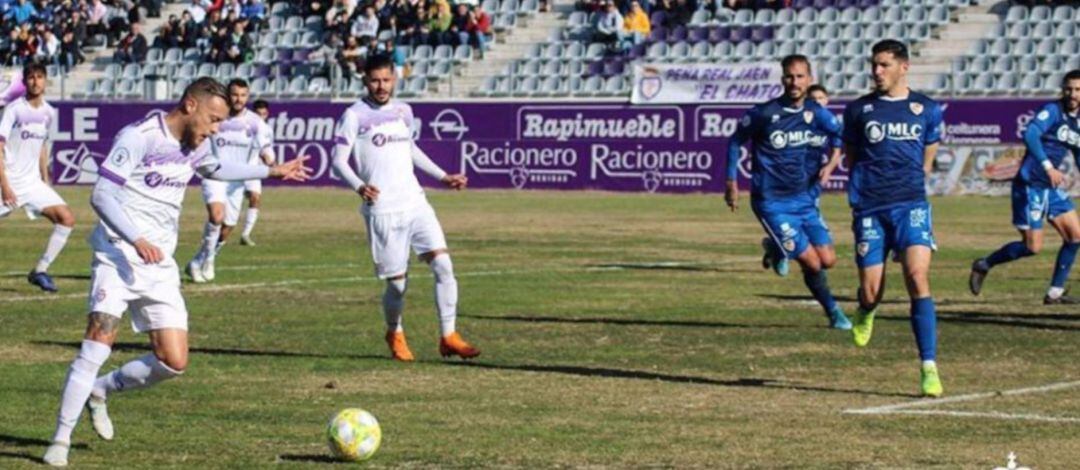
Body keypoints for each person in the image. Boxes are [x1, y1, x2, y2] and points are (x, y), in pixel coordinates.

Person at [42, 77, 309, 467]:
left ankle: (100, 391)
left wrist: (272, 173)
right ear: (189, 106)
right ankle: (60, 441)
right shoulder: (140, 136)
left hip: (159, 266)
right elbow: (101, 194)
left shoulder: (196, 147)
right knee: (98, 341)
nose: (217, 128)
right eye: (214, 119)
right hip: (117, 255)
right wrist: (135, 238)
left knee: (173, 361)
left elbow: (216, 168)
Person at [331, 55, 480, 362]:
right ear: (365, 80)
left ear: (395, 79)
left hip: (415, 202)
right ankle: (394, 331)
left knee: (444, 267)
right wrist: (360, 186)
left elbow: (410, 148)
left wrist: (442, 176)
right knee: (397, 285)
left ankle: (449, 336)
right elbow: (337, 161)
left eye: (386, 80)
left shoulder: (404, 111)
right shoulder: (354, 115)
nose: (381, 86)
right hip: (383, 209)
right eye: (375, 80)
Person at [842, 40, 945, 397]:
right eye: (874, 65)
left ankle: (928, 366)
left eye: (884, 65)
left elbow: (931, 143)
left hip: (911, 204)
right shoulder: (858, 110)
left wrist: (925, 169)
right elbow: (852, 154)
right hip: (870, 208)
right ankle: (866, 309)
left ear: (904, 67)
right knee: (873, 290)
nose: (876, 71)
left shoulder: (926, 109)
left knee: (917, 277)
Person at [725, 55, 851, 331]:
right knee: (813, 264)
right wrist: (731, 182)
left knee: (829, 260)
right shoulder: (764, 113)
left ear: (809, 78)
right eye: (789, 77)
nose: (794, 82)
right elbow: (735, 141)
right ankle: (834, 312)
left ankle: (775, 246)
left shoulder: (817, 114)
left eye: (800, 76)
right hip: (772, 202)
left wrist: (831, 164)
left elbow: (840, 136)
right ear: (782, 79)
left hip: (805, 200)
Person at [969, 71, 1080, 305]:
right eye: (1069, 89)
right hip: (1030, 185)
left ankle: (1055, 293)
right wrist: (1048, 166)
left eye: (1078, 90)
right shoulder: (1053, 110)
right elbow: (1030, 134)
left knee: (1075, 236)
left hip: (1050, 187)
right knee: (1033, 247)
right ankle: (984, 264)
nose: (1073, 94)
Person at [187, 79, 276, 281]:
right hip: (215, 174)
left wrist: (270, 159)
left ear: (248, 97)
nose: (238, 99)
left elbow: (266, 146)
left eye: (243, 95)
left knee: (228, 226)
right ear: (228, 94)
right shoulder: (218, 115)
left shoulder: (255, 122)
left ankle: (200, 259)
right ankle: (207, 260)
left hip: (237, 178)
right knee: (217, 216)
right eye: (235, 94)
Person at [0, 63, 74, 293]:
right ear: (25, 82)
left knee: (66, 218)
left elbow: (42, 146)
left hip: (32, 184)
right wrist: (5, 186)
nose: (35, 81)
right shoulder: (14, 109)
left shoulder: (49, 112)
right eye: (31, 77)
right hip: (9, 180)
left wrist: (45, 179)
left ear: (45, 81)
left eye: (39, 77)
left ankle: (40, 271)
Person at [239, 98, 273, 246]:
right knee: (228, 207)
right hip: (237, 169)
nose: (261, 117)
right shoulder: (242, 126)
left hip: (253, 170)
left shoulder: (267, 130)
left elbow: (267, 150)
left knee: (255, 198)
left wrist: (270, 161)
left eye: (263, 114)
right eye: (258, 114)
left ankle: (246, 234)